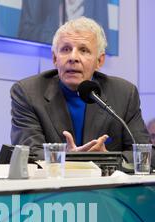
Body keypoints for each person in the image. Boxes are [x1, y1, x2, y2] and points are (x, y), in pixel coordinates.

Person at [11, 16, 154, 165]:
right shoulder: (28, 92)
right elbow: (29, 153)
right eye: (66, 49)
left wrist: (107, 158)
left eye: (83, 50)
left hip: (107, 187)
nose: (73, 57)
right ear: (55, 58)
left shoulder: (124, 94)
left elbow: (145, 155)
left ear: (99, 61)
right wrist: (70, 158)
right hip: (52, 186)